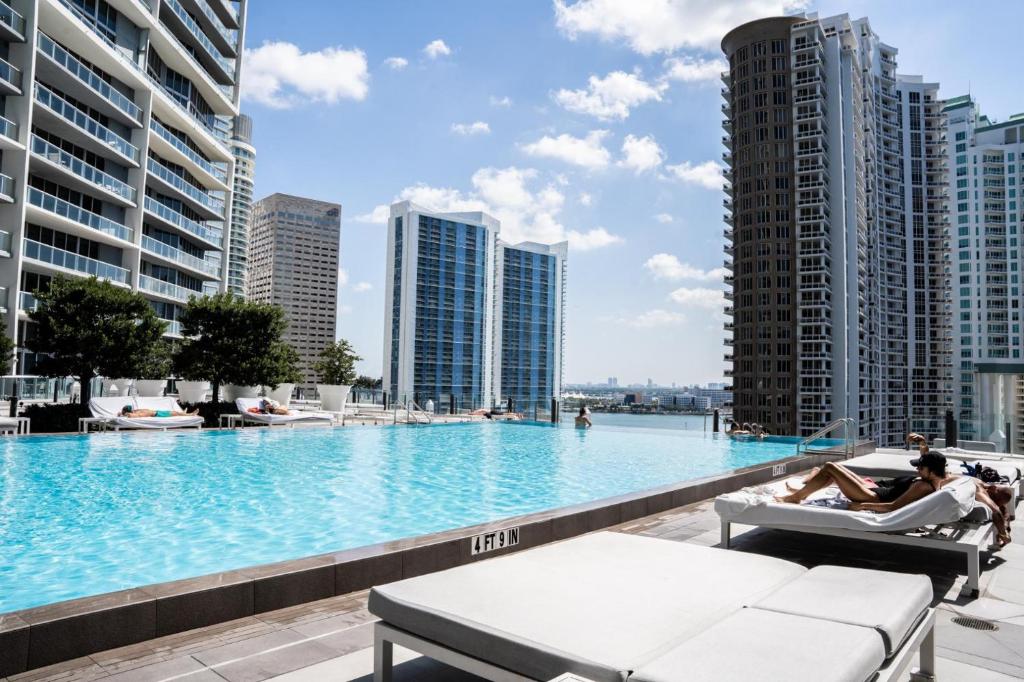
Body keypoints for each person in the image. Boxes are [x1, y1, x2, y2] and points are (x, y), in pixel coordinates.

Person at [778, 451, 1011, 546]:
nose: (917, 469)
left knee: (830, 467)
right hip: (876, 491)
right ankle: (804, 488)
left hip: (872, 497)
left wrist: (861, 505)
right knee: (834, 469)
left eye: (920, 467)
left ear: (930, 471)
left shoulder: (925, 486)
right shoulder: (937, 479)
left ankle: (794, 498)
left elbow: (892, 507)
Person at [120, 405, 198, 418]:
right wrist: (126, 414)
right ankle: (191, 414)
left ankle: (183, 413)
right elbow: (131, 415)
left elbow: (122, 413)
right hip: (158, 414)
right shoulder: (136, 413)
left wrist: (122, 413)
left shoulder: (135, 411)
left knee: (173, 412)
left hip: (157, 412)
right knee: (175, 413)